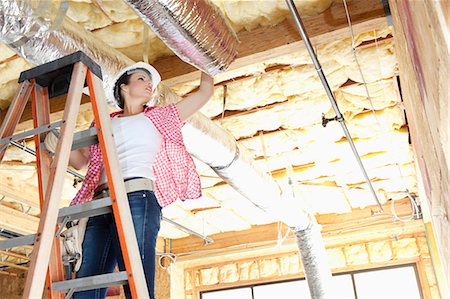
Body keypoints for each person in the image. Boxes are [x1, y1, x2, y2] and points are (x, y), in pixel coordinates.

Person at [57, 62, 213, 299]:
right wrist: (56, 137)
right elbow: (80, 162)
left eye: (150, 82)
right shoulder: (103, 122)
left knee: (136, 279)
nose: (149, 84)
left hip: (137, 197)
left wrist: (203, 58)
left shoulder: (159, 116)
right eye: (142, 78)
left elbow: (205, 92)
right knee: (86, 284)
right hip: (101, 201)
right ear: (124, 87)